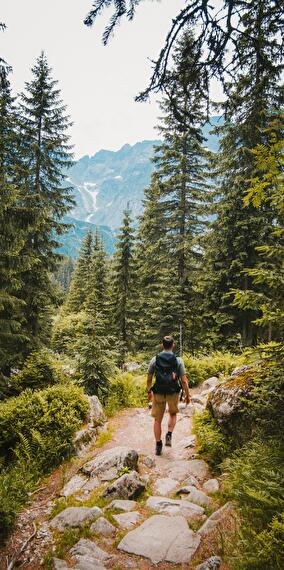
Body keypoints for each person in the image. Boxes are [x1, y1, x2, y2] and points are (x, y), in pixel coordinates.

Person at [147, 335, 190, 455]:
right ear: (173, 345)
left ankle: (158, 444)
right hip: (173, 392)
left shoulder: (155, 359)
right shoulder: (178, 360)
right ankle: (169, 434)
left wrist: (149, 391)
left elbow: (149, 377)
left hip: (158, 392)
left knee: (157, 420)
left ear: (162, 345)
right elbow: (184, 380)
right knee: (172, 413)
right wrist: (187, 395)